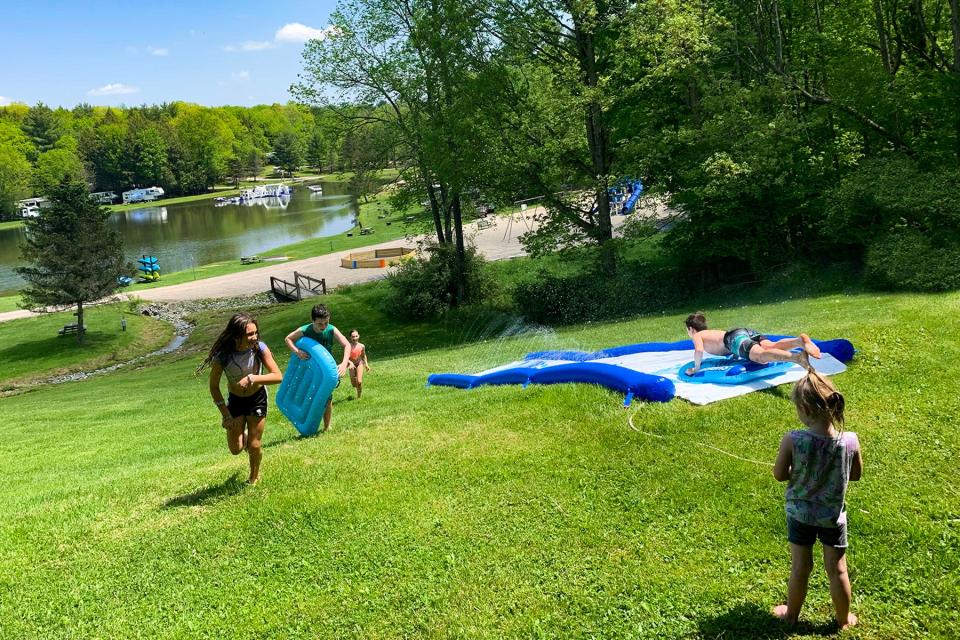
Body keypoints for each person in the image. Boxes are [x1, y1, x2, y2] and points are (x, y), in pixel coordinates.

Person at [771, 369, 863, 630]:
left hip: (800, 515)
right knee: (838, 570)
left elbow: (779, 475)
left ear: (805, 409)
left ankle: (791, 616)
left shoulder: (793, 439)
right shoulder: (850, 441)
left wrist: (796, 472)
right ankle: (843, 621)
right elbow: (855, 475)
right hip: (832, 517)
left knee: (801, 567)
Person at [198, 313, 282, 485]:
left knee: (254, 445)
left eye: (256, 332)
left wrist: (253, 378)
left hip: (257, 397)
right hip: (236, 400)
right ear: (237, 336)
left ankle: (253, 478)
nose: (255, 337)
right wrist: (226, 415)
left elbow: (278, 376)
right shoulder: (223, 356)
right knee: (235, 449)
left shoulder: (260, 348)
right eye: (250, 334)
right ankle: (246, 437)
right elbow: (214, 387)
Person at [683, 311, 821, 376]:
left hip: (734, 339)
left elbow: (699, 351)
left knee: (760, 356)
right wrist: (736, 355)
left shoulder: (698, 335)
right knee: (770, 345)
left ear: (691, 329)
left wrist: (696, 368)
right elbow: (728, 345)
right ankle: (798, 341)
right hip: (743, 332)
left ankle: (796, 358)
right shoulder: (711, 332)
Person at [284, 303, 350, 432]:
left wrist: (343, 363)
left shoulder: (331, 329)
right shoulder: (305, 330)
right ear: (312, 320)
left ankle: (327, 426)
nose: (323, 326)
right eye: (320, 324)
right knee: (310, 395)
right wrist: (297, 351)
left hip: (326, 370)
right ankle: (308, 423)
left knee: (327, 397)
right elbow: (288, 339)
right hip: (309, 368)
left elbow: (347, 345)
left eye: (326, 322)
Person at [346, 328, 371, 399]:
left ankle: (359, 397)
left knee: (359, 382)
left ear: (359, 336)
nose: (355, 338)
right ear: (350, 337)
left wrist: (366, 364)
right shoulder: (348, 346)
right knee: (354, 384)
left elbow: (364, 355)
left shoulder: (362, 346)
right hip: (351, 365)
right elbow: (346, 357)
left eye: (356, 336)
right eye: (353, 337)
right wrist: (350, 363)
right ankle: (357, 386)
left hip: (359, 363)